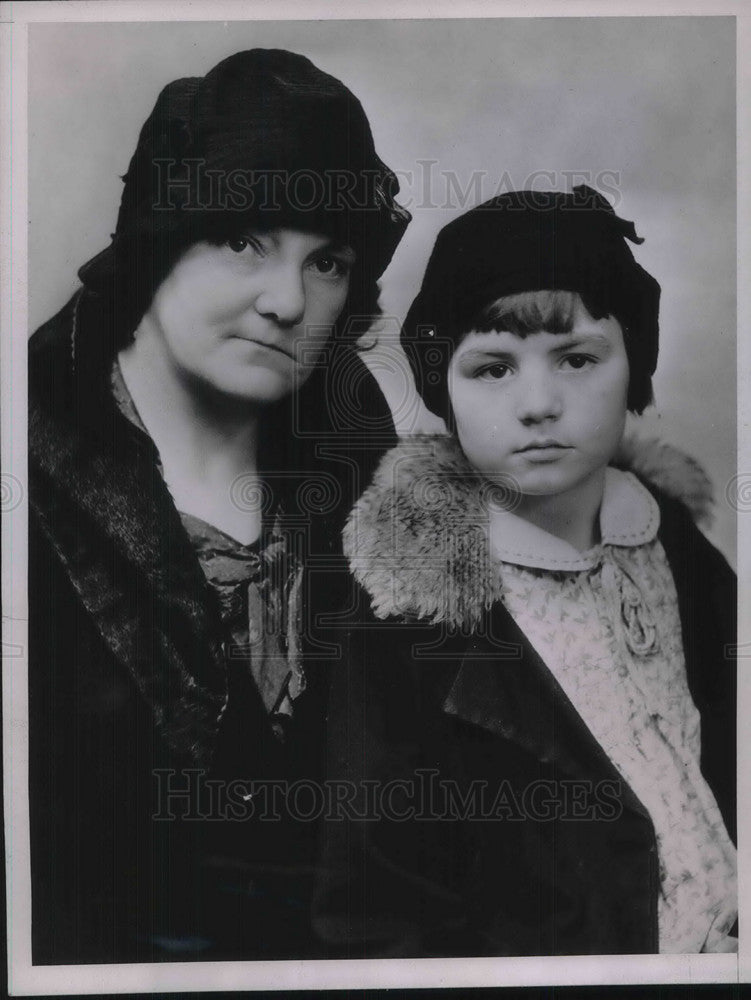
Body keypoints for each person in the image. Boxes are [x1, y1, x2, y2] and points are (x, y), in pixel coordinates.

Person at [28, 48, 409, 964]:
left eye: (328, 262)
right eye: (245, 240)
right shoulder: (29, 451)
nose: (288, 301)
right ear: (160, 238)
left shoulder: (358, 440)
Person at [315, 186, 737, 956]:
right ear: (443, 385)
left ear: (632, 363)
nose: (538, 403)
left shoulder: (663, 535)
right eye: (492, 370)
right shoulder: (407, 614)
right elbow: (379, 902)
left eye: (576, 359)